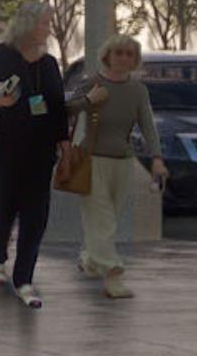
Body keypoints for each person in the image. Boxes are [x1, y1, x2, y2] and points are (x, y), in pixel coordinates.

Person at [0, 22, 63, 303]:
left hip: (39, 150)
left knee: (35, 214)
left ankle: (24, 278)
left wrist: (64, 142)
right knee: (1, 207)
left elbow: (57, 105)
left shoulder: (48, 64)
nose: (45, 30)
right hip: (0, 146)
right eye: (42, 23)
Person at [62, 35, 152, 302]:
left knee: (107, 217)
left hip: (123, 161)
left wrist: (156, 157)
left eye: (128, 54)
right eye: (118, 53)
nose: (123, 58)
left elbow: (147, 123)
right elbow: (65, 109)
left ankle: (90, 258)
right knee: (103, 219)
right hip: (92, 161)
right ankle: (114, 274)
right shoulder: (92, 82)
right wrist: (89, 100)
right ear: (107, 56)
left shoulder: (138, 90)